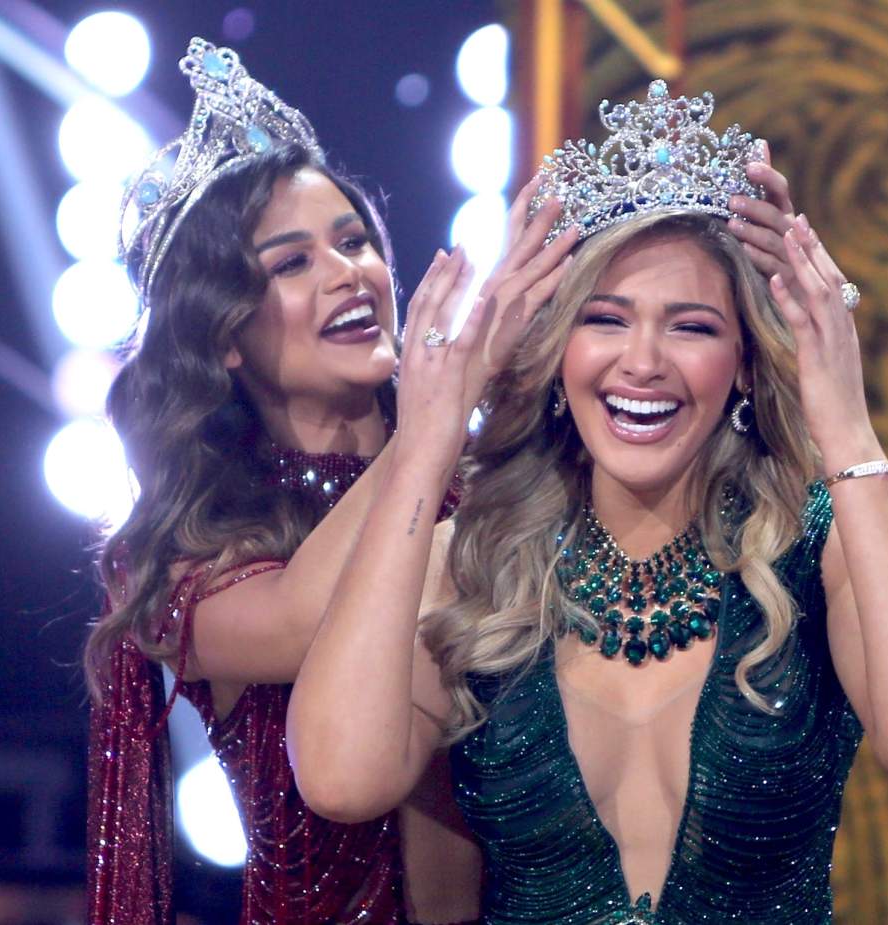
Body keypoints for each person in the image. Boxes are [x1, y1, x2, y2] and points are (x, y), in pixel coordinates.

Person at [288, 81, 888, 924]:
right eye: (606, 319)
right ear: (557, 353)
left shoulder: (814, 549)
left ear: (743, 362)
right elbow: (340, 777)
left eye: (692, 326)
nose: (644, 361)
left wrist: (844, 423)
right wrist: (425, 443)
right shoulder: (473, 558)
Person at [82, 37, 571, 925]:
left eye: (353, 242)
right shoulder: (180, 558)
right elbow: (316, 619)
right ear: (224, 335)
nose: (348, 273)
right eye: (292, 263)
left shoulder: (490, 475)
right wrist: (439, 416)